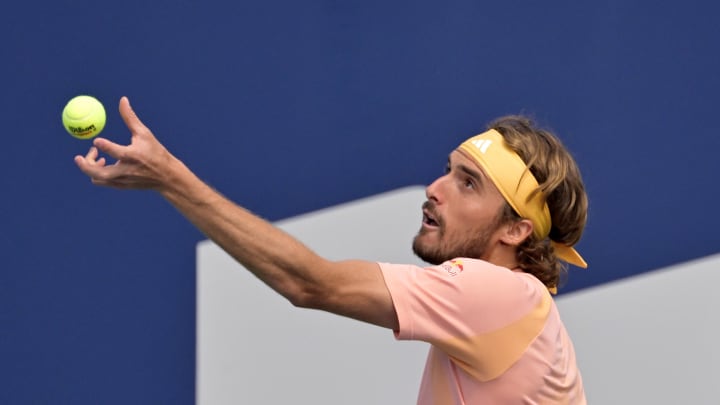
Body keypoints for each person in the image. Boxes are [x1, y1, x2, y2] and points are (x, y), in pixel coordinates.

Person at [75, 96, 589, 404]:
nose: (435, 188)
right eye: (448, 169)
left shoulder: (500, 295)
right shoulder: (515, 308)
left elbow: (309, 283)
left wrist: (171, 177)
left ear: (516, 232)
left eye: (468, 183)